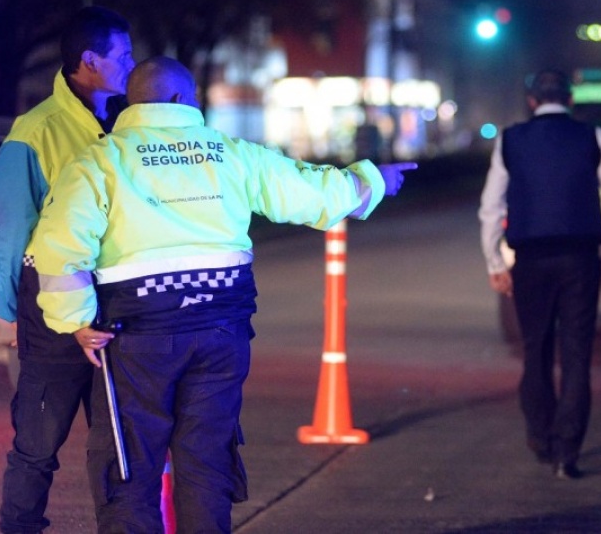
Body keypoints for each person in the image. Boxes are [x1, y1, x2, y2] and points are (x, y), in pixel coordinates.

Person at [30, 56, 416, 532]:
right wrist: (375, 180)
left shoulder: (99, 162)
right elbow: (312, 194)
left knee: (129, 468)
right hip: (221, 333)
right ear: (179, 99)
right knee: (207, 462)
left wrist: (76, 320)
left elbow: (58, 248)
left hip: (137, 339)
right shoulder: (229, 153)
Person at [0, 6, 135, 534]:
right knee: (37, 446)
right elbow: (6, 228)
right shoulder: (36, 131)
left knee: (118, 444)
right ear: (89, 61)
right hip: (51, 312)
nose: (132, 63)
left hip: (117, 307)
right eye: (123, 54)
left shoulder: (124, 123)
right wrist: (8, 311)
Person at [478, 69, 601, 480]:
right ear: (569, 100)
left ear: (532, 100)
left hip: (530, 259)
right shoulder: (592, 137)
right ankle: (567, 452)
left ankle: (540, 436)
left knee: (535, 349)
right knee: (575, 354)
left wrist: (495, 263)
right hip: (579, 257)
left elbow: (490, 207)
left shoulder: (510, 139)